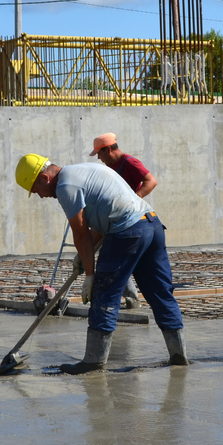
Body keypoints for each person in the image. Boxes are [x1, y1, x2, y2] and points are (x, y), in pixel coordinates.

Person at [14, 153, 188, 374]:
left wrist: (89, 274)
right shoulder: (84, 171)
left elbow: (80, 232)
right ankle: (179, 355)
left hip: (128, 232)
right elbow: (101, 219)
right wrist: (83, 256)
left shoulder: (65, 186)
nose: (40, 196)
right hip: (150, 225)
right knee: (160, 292)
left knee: (104, 293)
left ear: (45, 179)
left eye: (36, 190)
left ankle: (93, 361)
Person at [90, 133, 157, 307]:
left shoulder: (129, 162)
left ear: (109, 149)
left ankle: (132, 298)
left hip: (129, 220)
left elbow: (151, 181)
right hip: (113, 220)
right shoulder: (111, 167)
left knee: (116, 260)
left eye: (100, 153)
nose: (99, 158)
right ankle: (132, 297)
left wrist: (133, 200)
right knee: (114, 259)